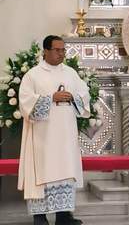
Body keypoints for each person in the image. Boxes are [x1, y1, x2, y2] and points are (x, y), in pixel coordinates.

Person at [18, 35, 90, 225]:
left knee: (65, 170)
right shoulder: (33, 74)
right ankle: (40, 217)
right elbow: (26, 103)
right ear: (46, 51)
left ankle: (64, 215)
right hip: (43, 136)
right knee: (43, 172)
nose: (61, 53)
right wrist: (52, 98)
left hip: (65, 134)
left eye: (63, 50)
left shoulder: (70, 73)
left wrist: (73, 97)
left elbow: (84, 95)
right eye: (57, 50)